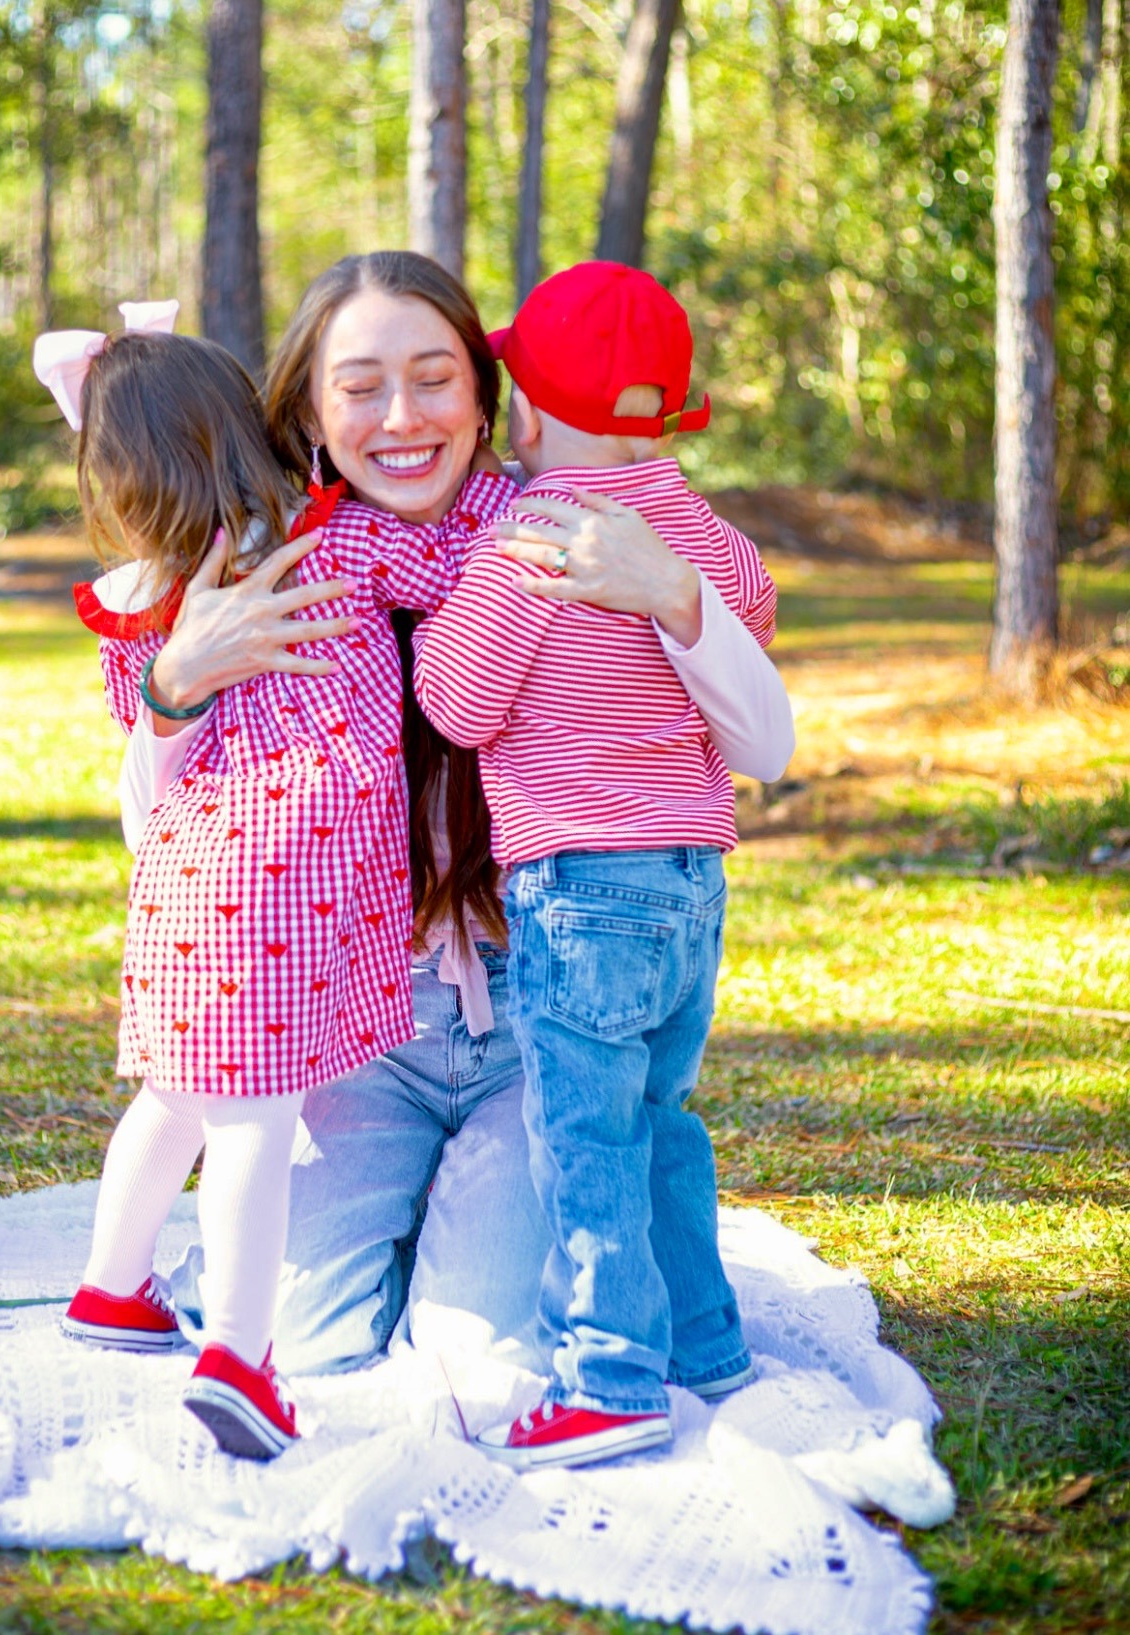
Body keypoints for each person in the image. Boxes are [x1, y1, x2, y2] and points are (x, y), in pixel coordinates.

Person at [114, 255, 794, 1385]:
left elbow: (764, 748)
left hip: (538, 1020)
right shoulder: (267, 562)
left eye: (434, 379)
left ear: (489, 401)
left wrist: (677, 596)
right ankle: (382, 1217)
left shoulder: (571, 536)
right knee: (309, 1340)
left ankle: (467, 1239)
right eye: (360, 387)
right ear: (310, 414)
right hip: (359, 1026)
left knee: (474, 1355)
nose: (401, 418)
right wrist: (175, 687)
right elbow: (159, 841)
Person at [32, 293, 517, 1460]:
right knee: (255, 1123)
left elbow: (140, 729)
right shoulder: (328, 542)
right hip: (284, 893)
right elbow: (452, 558)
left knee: (176, 1098)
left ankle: (111, 1285)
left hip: (181, 890)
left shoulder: (138, 598)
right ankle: (242, 1360)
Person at [413, 261, 780, 1470]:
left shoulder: (530, 542)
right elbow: (749, 622)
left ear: (524, 410)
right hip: (692, 882)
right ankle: (706, 1345)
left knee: (585, 1140)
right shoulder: (705, 540)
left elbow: (459, 704)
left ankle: (608, 1378)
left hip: (578, 890)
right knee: (661, 1117)